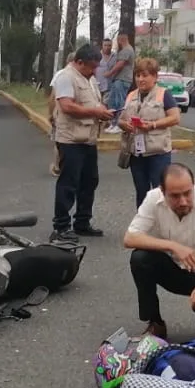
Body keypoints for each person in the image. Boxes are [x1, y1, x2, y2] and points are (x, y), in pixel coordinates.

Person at [123, 163, 195, 339]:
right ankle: (155, 323)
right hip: (171, 269)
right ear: (163, 192)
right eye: (175, 196)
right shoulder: (152, 199)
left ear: (193, 186)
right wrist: (173, 246)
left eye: (187, 193)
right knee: (140, 258)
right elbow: (130, 238)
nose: (183, 201)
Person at [50, 43, 112, 242]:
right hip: (71, 140)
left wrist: (103, 112)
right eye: (91, 67)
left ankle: (82, 222)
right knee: (69, 183)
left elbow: (94, 103)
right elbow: (67, 106)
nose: (94, 71)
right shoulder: (66, 77)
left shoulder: (90, 79)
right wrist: (96, 112)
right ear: (79, 62)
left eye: (96, 67)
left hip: (88, 138)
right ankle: (61, 226)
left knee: (89, 181)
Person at [118, 57, 181, 208]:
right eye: (138, 75)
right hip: (136, 153)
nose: (141, 79)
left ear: (154, 76)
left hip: (157, 153)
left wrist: (153, 125)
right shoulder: (131, 95)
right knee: (141, 192)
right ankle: (143, 225)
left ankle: (162, 226)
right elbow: (121, 120)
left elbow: (175, 118)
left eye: (145, 75)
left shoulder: (163, 94)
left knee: (160, 191)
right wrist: (124, 125)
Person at [103, 34, 135, 132]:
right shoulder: (126, 50)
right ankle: (113, 123)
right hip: (119, 80)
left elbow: (120, 64)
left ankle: (120, 123)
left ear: (120, 40)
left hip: (122, 79)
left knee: (119, 102)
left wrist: (110, 73)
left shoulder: (126, 50)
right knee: (113, 102)